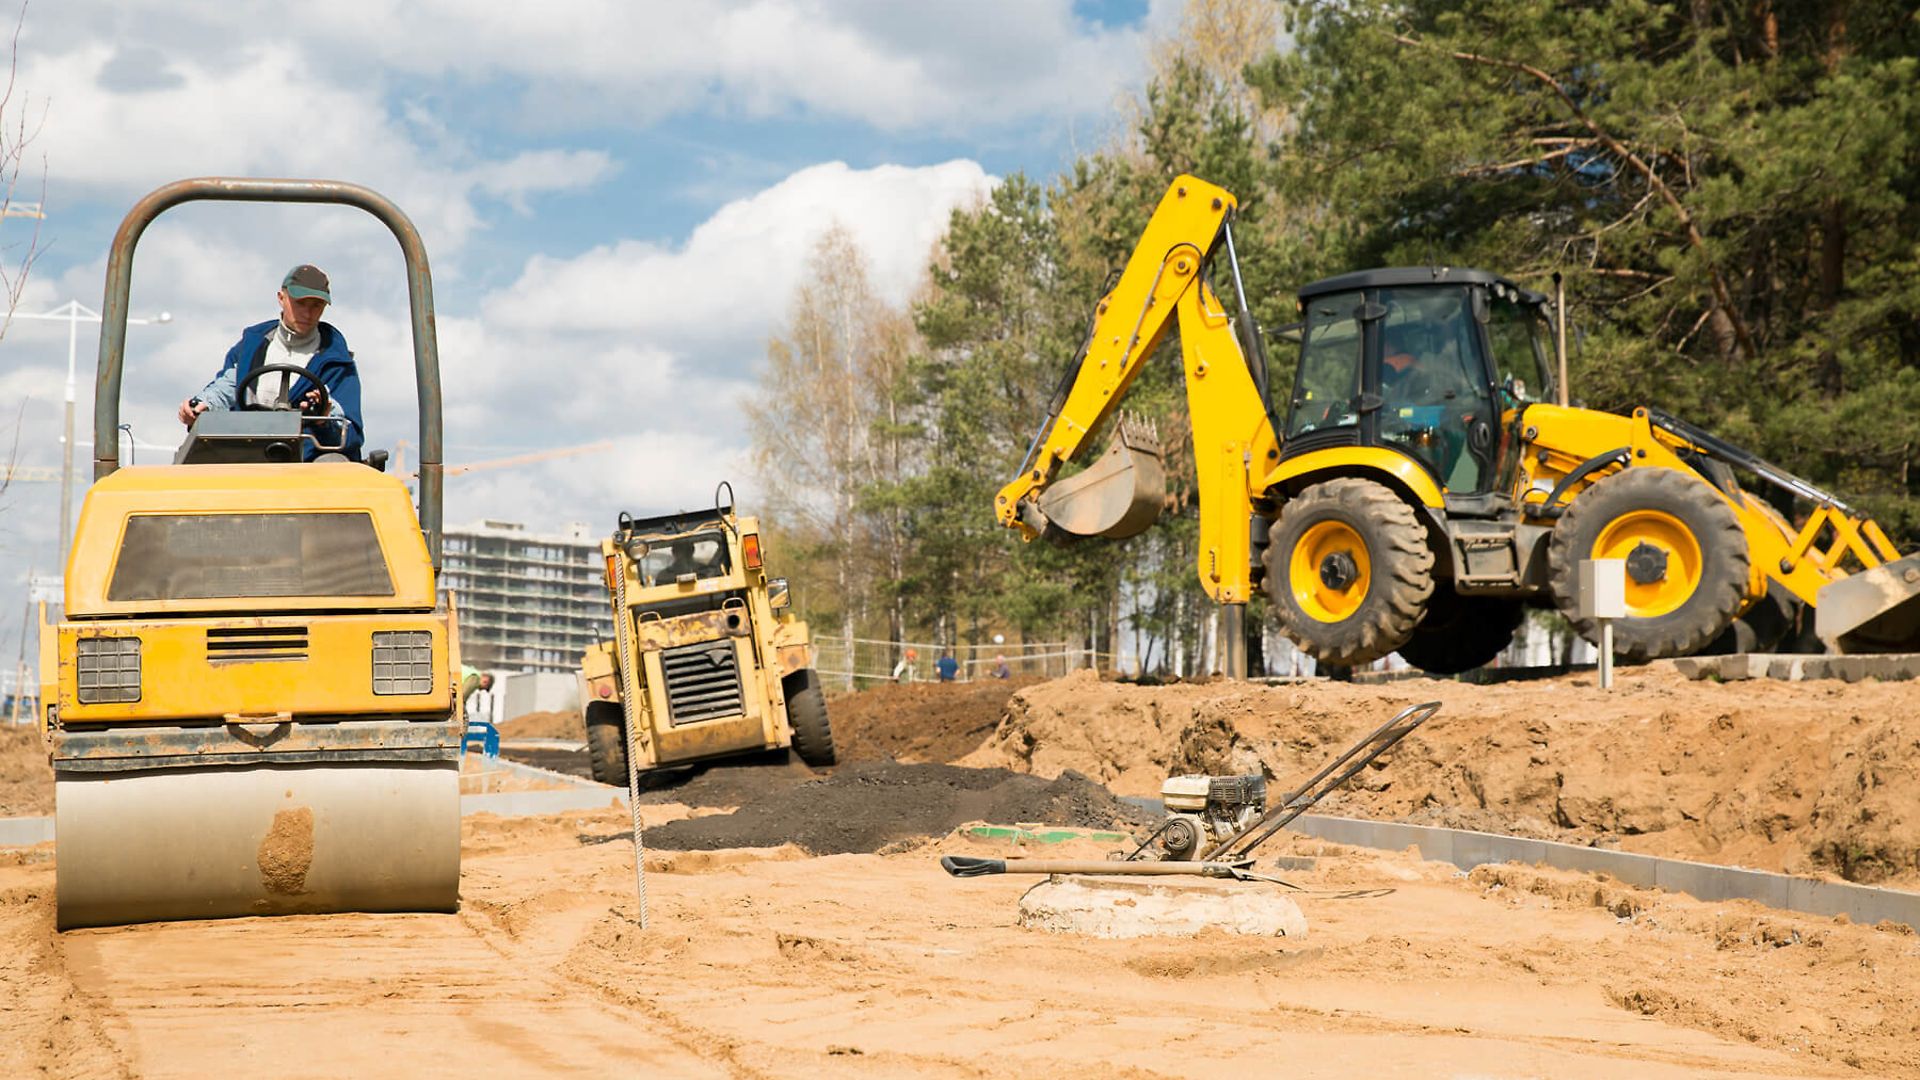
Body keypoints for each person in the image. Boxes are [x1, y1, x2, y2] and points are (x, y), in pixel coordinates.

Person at [177, 264, 364, 461]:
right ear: (281, 298)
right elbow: (227, 387)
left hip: (308, 468)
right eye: (300, 303)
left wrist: (325, 416)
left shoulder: (338, 363)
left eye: (316, 306)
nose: (308, 314)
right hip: (246, 459)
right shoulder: (250, 347)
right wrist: (201, 407)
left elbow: (351, 436)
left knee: (335, 466)